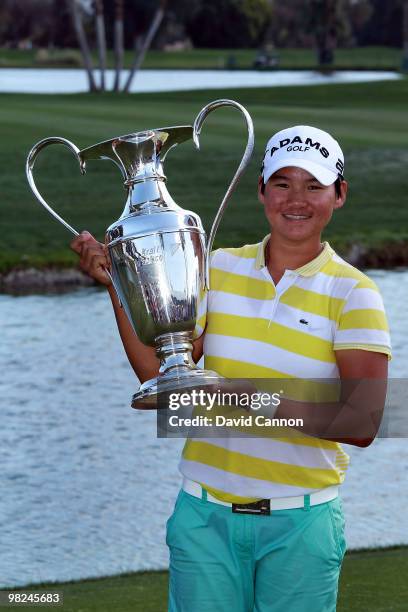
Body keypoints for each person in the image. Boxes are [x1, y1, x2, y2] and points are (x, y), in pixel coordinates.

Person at [71, 125, 391, 612]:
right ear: (262, 191)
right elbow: (158, 378)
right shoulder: (218, 267)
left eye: (314, 185)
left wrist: (248, 398)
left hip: (300, 525)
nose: (296, 200)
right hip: (205, 517)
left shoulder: (355, 292)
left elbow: (363, 421)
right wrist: (117, 284)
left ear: (339, 194)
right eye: (282, 183)